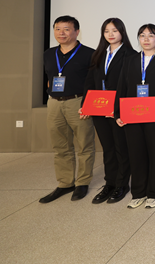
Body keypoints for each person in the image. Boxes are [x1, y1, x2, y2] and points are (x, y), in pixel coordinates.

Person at [115, 24, 155, 209]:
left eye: (151, 35)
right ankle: (139, 192)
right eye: (142, 35)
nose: (146, 39)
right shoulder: (130, 60)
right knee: (136, 153)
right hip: (132, 114)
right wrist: (119, 112)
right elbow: (122, 86)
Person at [40, 15, 95, 203]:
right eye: (57, 29)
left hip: (78, 103)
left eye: (66, 29)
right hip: (54, 103)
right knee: (60, 145)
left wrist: (87, 105)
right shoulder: (49, 54)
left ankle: (82, 182)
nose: (61, 33)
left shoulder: (89, 54)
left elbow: (94, 83)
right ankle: (65, 183)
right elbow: (50, 78)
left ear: (77, 32)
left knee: (84, 144)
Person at [80, 18, 135, 205]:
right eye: (106, 31)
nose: (110, 34)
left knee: (121, 148)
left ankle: (122, 184)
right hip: (99, 107)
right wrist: (85, 104)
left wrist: (118, 109)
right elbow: (90, 81)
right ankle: (109, 183)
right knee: (108, 148)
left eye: (114, 31)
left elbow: (129, 85)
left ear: (122, 32)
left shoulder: (130, 55)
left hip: (117, 110)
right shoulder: (99, 54)